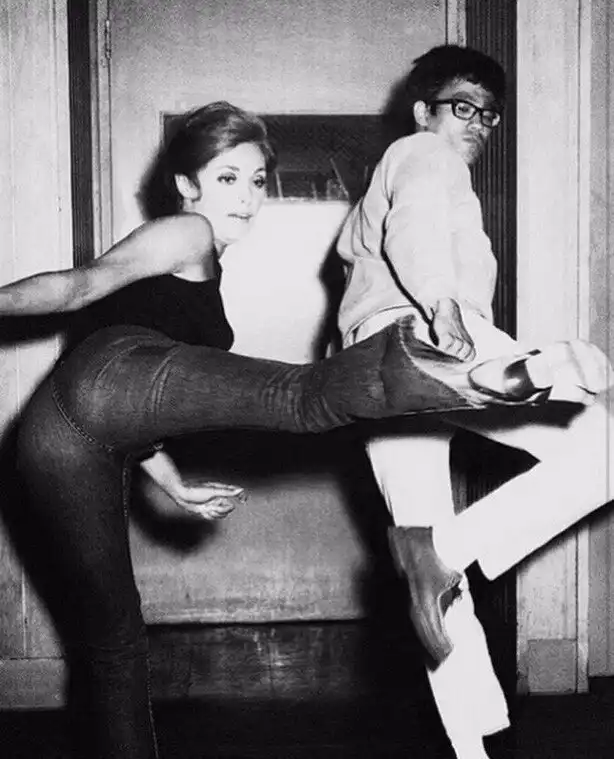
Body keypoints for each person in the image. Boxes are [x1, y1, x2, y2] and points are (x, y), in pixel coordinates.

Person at [3, 100, 587, 759]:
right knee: (299, 396)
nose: (248, 197)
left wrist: (173, 485)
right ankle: (460, 368)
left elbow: (130, 407)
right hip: (100, 383)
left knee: (114, 642)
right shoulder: (187, 232)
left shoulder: (200, 265)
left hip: (56, 437)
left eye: (257, 180)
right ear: (186, 184)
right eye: (227, 177)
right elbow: (78, 288)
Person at [336, 45, 614, 759]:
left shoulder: (398, 175)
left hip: (376, 363)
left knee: (432, 588)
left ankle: (474, 744)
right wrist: (441, 303)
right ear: (422, 111)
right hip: (426, 334)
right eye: (463, 107)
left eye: (489, 115)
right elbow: (417, 226)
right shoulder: (423, 153)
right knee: (606, 452)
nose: (478, 124)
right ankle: (446, 548)